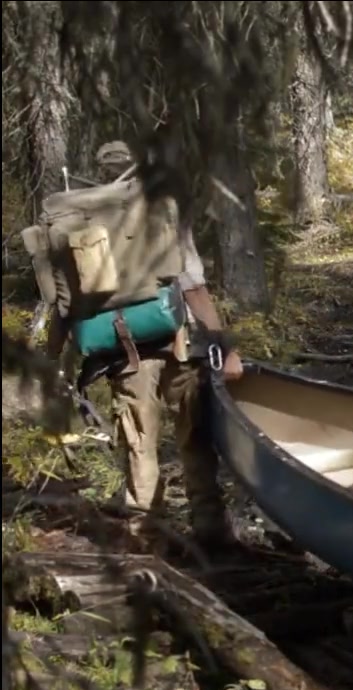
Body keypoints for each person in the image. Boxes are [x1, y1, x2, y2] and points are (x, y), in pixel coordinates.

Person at [40, 141, 245, 550]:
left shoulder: (81, 224)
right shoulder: (160, 211)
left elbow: (64, 303)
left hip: (124, 351)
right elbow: (195, 287)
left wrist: (52, 360)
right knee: (194, 436)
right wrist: (227, 346)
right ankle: (211, 530)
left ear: (100, 173)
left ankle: (147, 538)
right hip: (178, 343)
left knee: (138, 443)